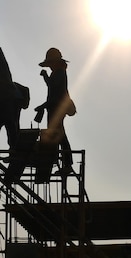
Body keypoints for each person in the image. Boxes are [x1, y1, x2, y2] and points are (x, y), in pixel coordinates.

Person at [35, 47, 76, 175]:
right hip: (54, 107)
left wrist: (43, 106)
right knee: (57, 134)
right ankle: (62, 161)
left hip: (58, 108)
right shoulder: (56, 73)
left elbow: (56, 95)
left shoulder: (60, 73)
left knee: (60, 135)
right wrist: (45, 77)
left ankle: (67, 164)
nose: (50, 67)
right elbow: (52, 86)